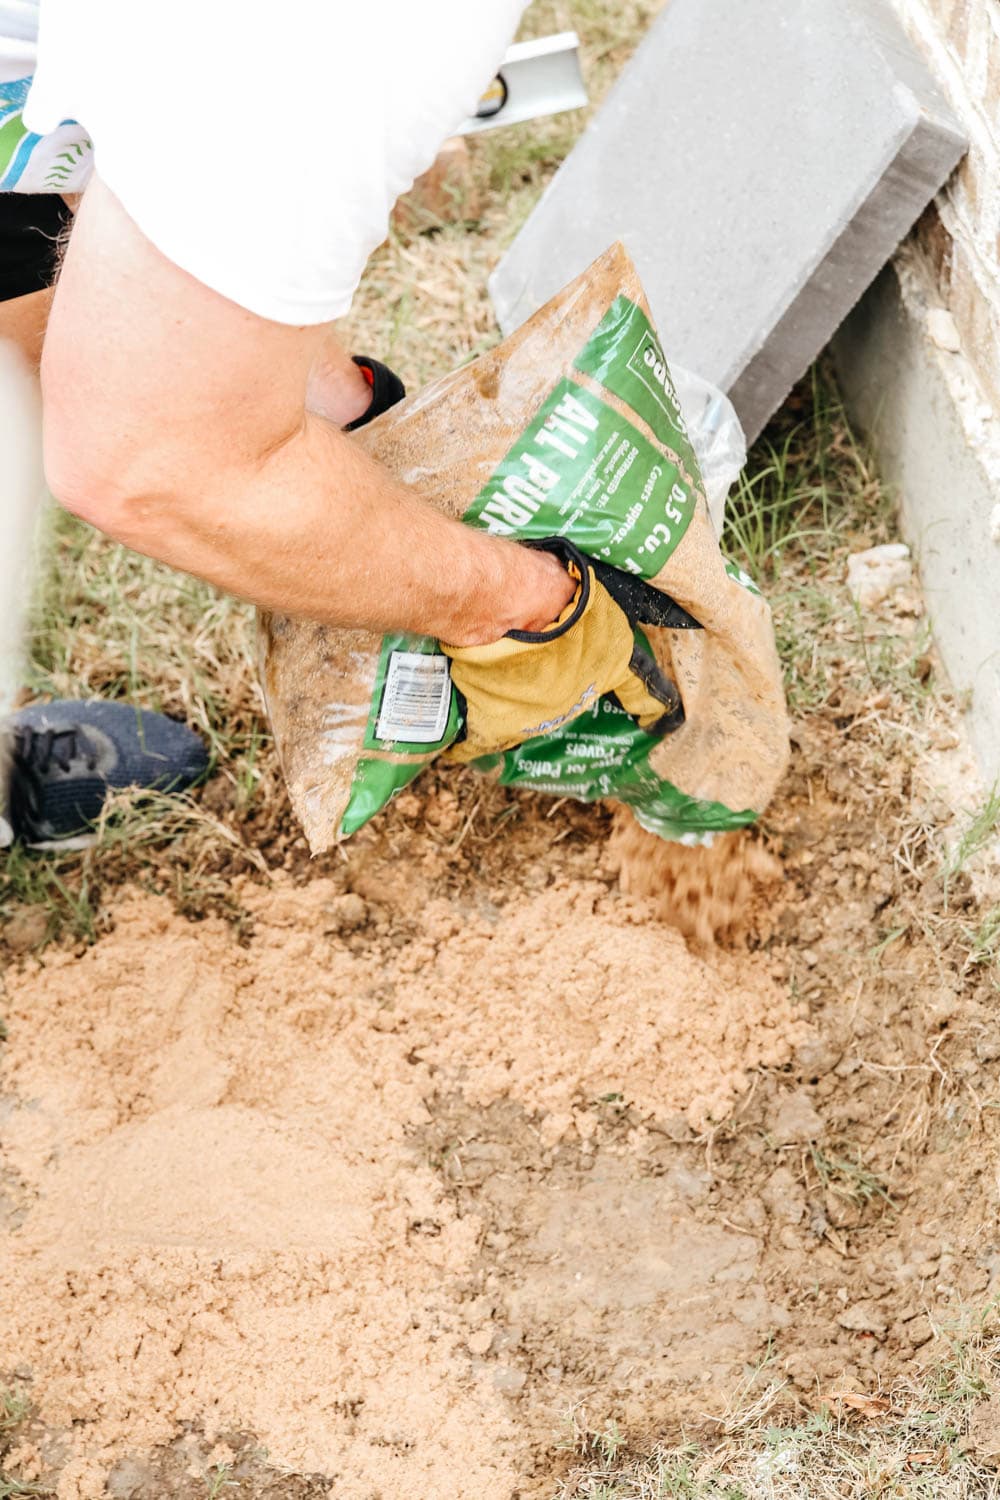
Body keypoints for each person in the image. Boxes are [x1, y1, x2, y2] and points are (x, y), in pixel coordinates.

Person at [1, 1, 593, 846]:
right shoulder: (354, 33)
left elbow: (140, 160)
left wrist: (339, 403)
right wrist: (524, 601)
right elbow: (145, 466)